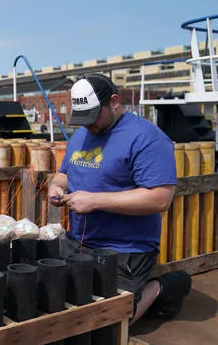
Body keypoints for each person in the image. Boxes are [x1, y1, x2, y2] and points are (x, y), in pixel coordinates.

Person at [48, 74, 191, 324]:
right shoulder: (81, 135)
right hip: (77, 242)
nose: (88, 125)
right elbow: (64, 175)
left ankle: (161, 286)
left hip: (125, 251)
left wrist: (94, 201)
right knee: (59, 307)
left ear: (114, 102)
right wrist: (56, 187)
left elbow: (160, 199)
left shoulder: (147, 138)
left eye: (93, 117)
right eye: (82, 118)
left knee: (111, 325)